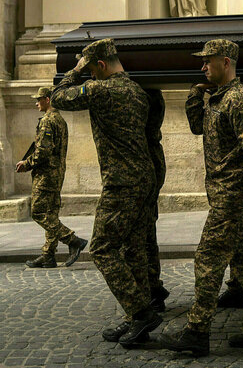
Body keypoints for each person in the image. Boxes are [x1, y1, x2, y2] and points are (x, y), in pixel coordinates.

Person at [159, 39, 243, 356]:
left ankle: (197, 331)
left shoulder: (239, 100)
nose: (202, 66)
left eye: (207, 61)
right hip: (222, 192)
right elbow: (198, 126)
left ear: (225, 62)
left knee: (208, 259)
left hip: (233, 195)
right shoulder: (217, 99)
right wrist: (195, 93)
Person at [50, 39, 161, 348]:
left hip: (122, 182)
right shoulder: (137, 91)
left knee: (102, 248)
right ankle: (135, 317)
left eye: (91, 68)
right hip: (144, 177)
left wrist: (75, 71)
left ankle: (141, 312)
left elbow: (57, 97)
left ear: (99, 65)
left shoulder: (100, 90)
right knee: (133, 248)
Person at [16, 87, 88, 268]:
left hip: (46, 175)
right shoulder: (60, 120)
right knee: (51, 213)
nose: (36, 103)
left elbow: (43, 151)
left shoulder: (48, 121)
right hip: (56, 173)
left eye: (39, 99)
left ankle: (73, 240)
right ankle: (48, 254)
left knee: (39, 213)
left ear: (48, 100)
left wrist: (26, 163)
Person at [143, 87, 171, 311]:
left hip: (145, 166)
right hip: (152, 162)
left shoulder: (145, 96)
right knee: (147, 235)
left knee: (142, 238)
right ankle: (153, 287)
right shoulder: (154, 95)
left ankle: (151, 289)